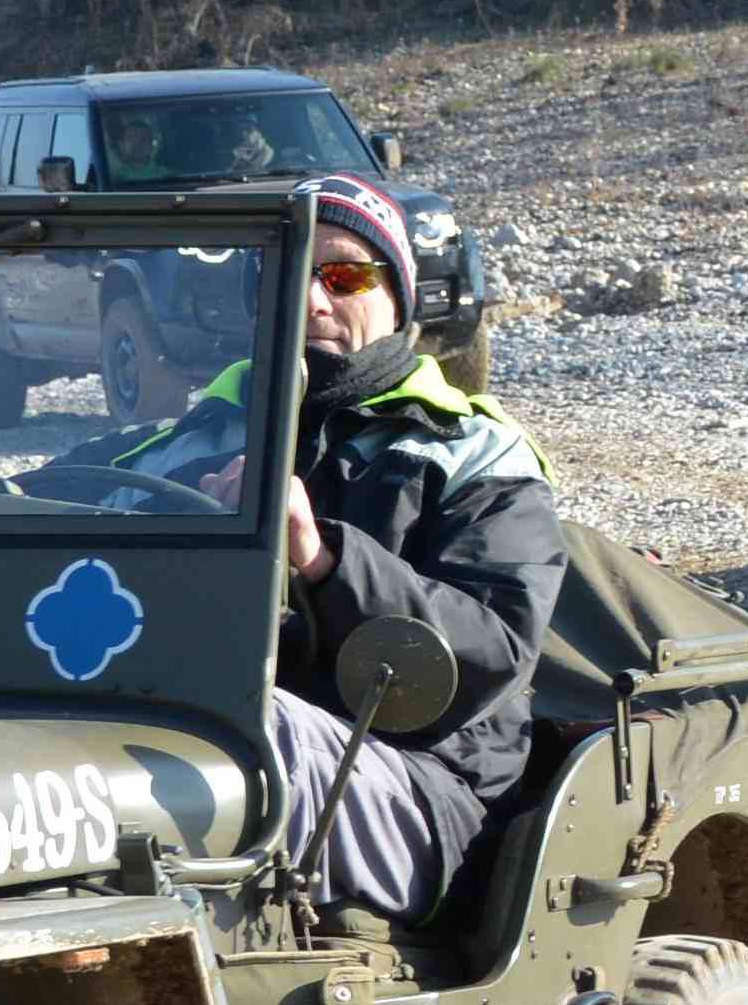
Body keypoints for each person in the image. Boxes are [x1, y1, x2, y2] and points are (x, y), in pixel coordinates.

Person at [140, 177, 566, 922]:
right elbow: (58, 518)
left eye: (342, 276)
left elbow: (494, 650)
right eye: (288, 274)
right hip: (228, 741)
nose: (311, 300)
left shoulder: (476, 454)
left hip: (427, 787)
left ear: (397, 299)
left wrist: (323, 556)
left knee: (244, 728)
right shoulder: (195, 435)